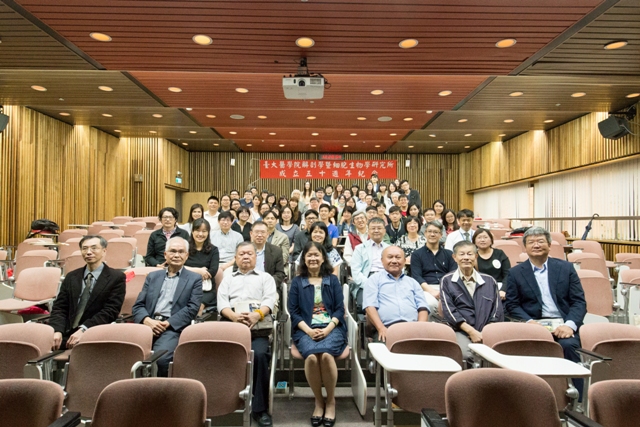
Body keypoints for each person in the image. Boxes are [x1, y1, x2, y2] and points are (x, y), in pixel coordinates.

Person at [505, 227, 586, 392]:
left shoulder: (566, 268)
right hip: (533, 325)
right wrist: (529, 322)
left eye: (540, 241)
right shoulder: (515, 273)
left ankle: (577, 399)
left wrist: (570, 325)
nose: (536, 245)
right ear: (525, 247)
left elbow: (579, 301)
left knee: (569, 345)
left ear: (549, 245)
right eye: (531, 242)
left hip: (562, 324)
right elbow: (512, 305)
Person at [217, 242, 278, 427]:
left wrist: (257, 314)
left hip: (257, 327)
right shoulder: (228, 278)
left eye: (249, 254)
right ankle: (222, 404)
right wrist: (234, 317)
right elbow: (222, 303)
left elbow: (270, 299)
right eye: (241, 254)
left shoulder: (265, 277)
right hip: (232, 327)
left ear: (256, 257)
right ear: (235, 258)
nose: (245, 257)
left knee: (259, 355)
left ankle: (260, 409)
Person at [288, 241, 348, 427]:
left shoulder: (332, 280)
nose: (313, 258)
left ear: (323, 258)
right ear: (304, 259)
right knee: (312, 358)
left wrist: (329, 328)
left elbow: (339, 310)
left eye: (316, 255)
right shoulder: (297, 282)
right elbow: (294, 311)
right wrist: (308, 330)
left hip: (332, 328)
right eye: (309, 255)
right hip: (305, 329)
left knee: (327, 356)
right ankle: (318, 400)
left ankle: (330, 401)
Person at [133, 237, 203, 376]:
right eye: (172, 251)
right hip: (147, 324)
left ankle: (160, 394)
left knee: (161, 359)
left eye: (181, 252)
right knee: (128, 355)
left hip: (171, 328)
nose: (176, 255)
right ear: (165, 255)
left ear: (187, 255)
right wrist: (147, 320)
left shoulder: (194, 279)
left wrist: (166, 323)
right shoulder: (153, 276)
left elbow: (192, 308)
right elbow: (138, 305)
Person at [49, 235, 126, 350]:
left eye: (94, 248)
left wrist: (85, 329)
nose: (88, 252)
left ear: (104, 251)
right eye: (84, 248)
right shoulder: (71, 277)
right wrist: (57, 330)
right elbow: (60, 307)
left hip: (94, 332)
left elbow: (110, 311)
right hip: (67, 332)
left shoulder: (116, 277)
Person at [441, 241, 504, 358]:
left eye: (469, 254)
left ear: (476, 256)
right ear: (454, 258)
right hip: (461, 330)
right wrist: (471, 331)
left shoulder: (489, 280)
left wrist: (484, 333)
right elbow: (450, 311)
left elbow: (497, 310)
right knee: (467, 355)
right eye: (462, 254)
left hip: (487, 330)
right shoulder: (447, 280)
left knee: (497, 354)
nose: (466, 258)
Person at [363, 246, 429, 342]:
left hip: (413, 329)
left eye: (398, 257)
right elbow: (370, 306)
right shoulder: (374, 280)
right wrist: (381, 328)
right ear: (382, 260)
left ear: (405, 260)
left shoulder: (412, 282)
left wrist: (419, 330)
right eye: (390, 257)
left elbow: (422, 307)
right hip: (386, 329)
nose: (394, 261)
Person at [411, 221, 457, 314]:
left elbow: (453, 274)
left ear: (441, 235)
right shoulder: (417, 254)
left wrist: (444, 291)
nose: (432, 234)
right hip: (426, 288)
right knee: (430, 304)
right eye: (430, 231)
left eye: (436, 232)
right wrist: (432, 291)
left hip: (447, 287)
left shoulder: (449, 254)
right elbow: (417, 277)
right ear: (425, 234)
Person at [350, 218, 389, 312]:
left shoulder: (390, 248)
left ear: (384, 231)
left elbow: (399, 269)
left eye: (379, 228)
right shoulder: (360, 249)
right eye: (373, 228)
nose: (376, 231)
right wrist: (370, 284)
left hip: (387, 280)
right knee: (367, 307)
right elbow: (356, 272)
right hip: (367, 280)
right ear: (368, 230)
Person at [185, 218, 220, 313]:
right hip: (186, 286)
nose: (200, 234)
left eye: (204, 231)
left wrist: (188, 270)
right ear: (192, 232)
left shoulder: (214, 250)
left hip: (206, 290)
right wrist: (199, 271)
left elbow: (212, 271)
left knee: (198, 307)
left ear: (208, 233)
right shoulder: (184, 248)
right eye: (197, 230)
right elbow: (177, 268)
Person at [473, 228, 511, 299]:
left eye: (485, 237)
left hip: (500, 290)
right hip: (480, 290)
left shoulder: (500, 253)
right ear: (474, 241)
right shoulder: (472, 256)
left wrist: (503, 289)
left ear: (491, 240)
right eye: (479, 237)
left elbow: (508, 274)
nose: (482, 240)